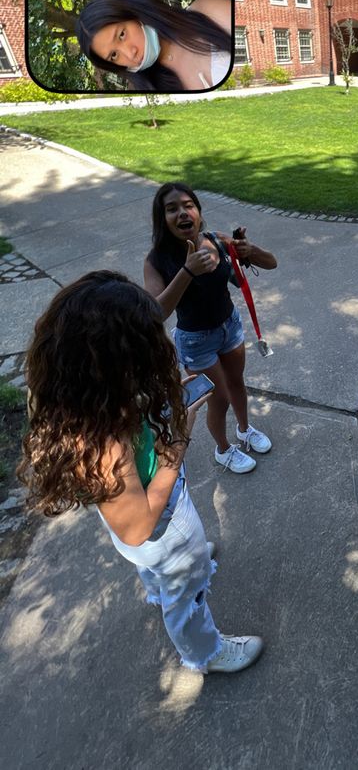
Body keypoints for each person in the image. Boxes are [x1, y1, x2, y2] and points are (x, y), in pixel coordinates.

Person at [17, 270, 262, 674]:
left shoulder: (85, 399)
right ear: (116, 358)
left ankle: (161, 586)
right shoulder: (100, 440)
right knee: (188, 592)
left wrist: (155, 408)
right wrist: (177, 443)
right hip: (160, 527)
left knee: (159, 568)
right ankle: (206, 652)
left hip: (146, 523)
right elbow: (137, 526)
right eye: (144, 346)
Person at [144, 182, 277, 475]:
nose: (182, 213)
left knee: (237, 384)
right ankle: (223, 449)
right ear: (162, 219)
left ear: (199, 212)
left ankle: (244, 430)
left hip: (229, 326)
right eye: (172, 209)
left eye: (188, 205)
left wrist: (249, 249)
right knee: (218, 397)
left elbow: (271, 263)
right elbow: (155, 312)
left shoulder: (216, 240)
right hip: (195, 340)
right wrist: (187, 271)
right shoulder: (157, 261)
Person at [76, 0, 231, 91]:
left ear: (134, 14)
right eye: (114, 55)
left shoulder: (205, 11)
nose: (130, 53)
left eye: (122, 35)